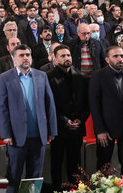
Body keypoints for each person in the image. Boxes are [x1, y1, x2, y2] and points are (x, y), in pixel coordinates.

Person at [0, 44, 57, 193]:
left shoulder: (41, 76)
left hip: (39, 136)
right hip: (16, 138)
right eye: (21, 55)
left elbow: (50, 104)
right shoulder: (5, 77)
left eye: (27, 55)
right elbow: (2, 108)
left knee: (34, 178)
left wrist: (52, 130)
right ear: (14, 58)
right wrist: (6, 134)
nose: (25, 58)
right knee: (14, 177)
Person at [88, 46, 123, 181]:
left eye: (122, 56)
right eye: (116, 56)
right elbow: (94, 106)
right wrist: (100, 130)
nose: (120, 59)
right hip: (106, 130)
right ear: (107, 59)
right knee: (103, 166)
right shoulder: (97, 76)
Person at [47, 45, 89, 191]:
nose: (67, 58)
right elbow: (48, 104)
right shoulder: (48, 77)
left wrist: (80, 120)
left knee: (75, 163)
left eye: (68, 55)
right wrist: (64, 120)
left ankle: (74, 190)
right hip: (58, 128)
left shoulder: (81, 77)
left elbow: (87, 103)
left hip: (77, 128)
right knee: (56, 163)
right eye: (63, 56)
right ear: (55, 58)